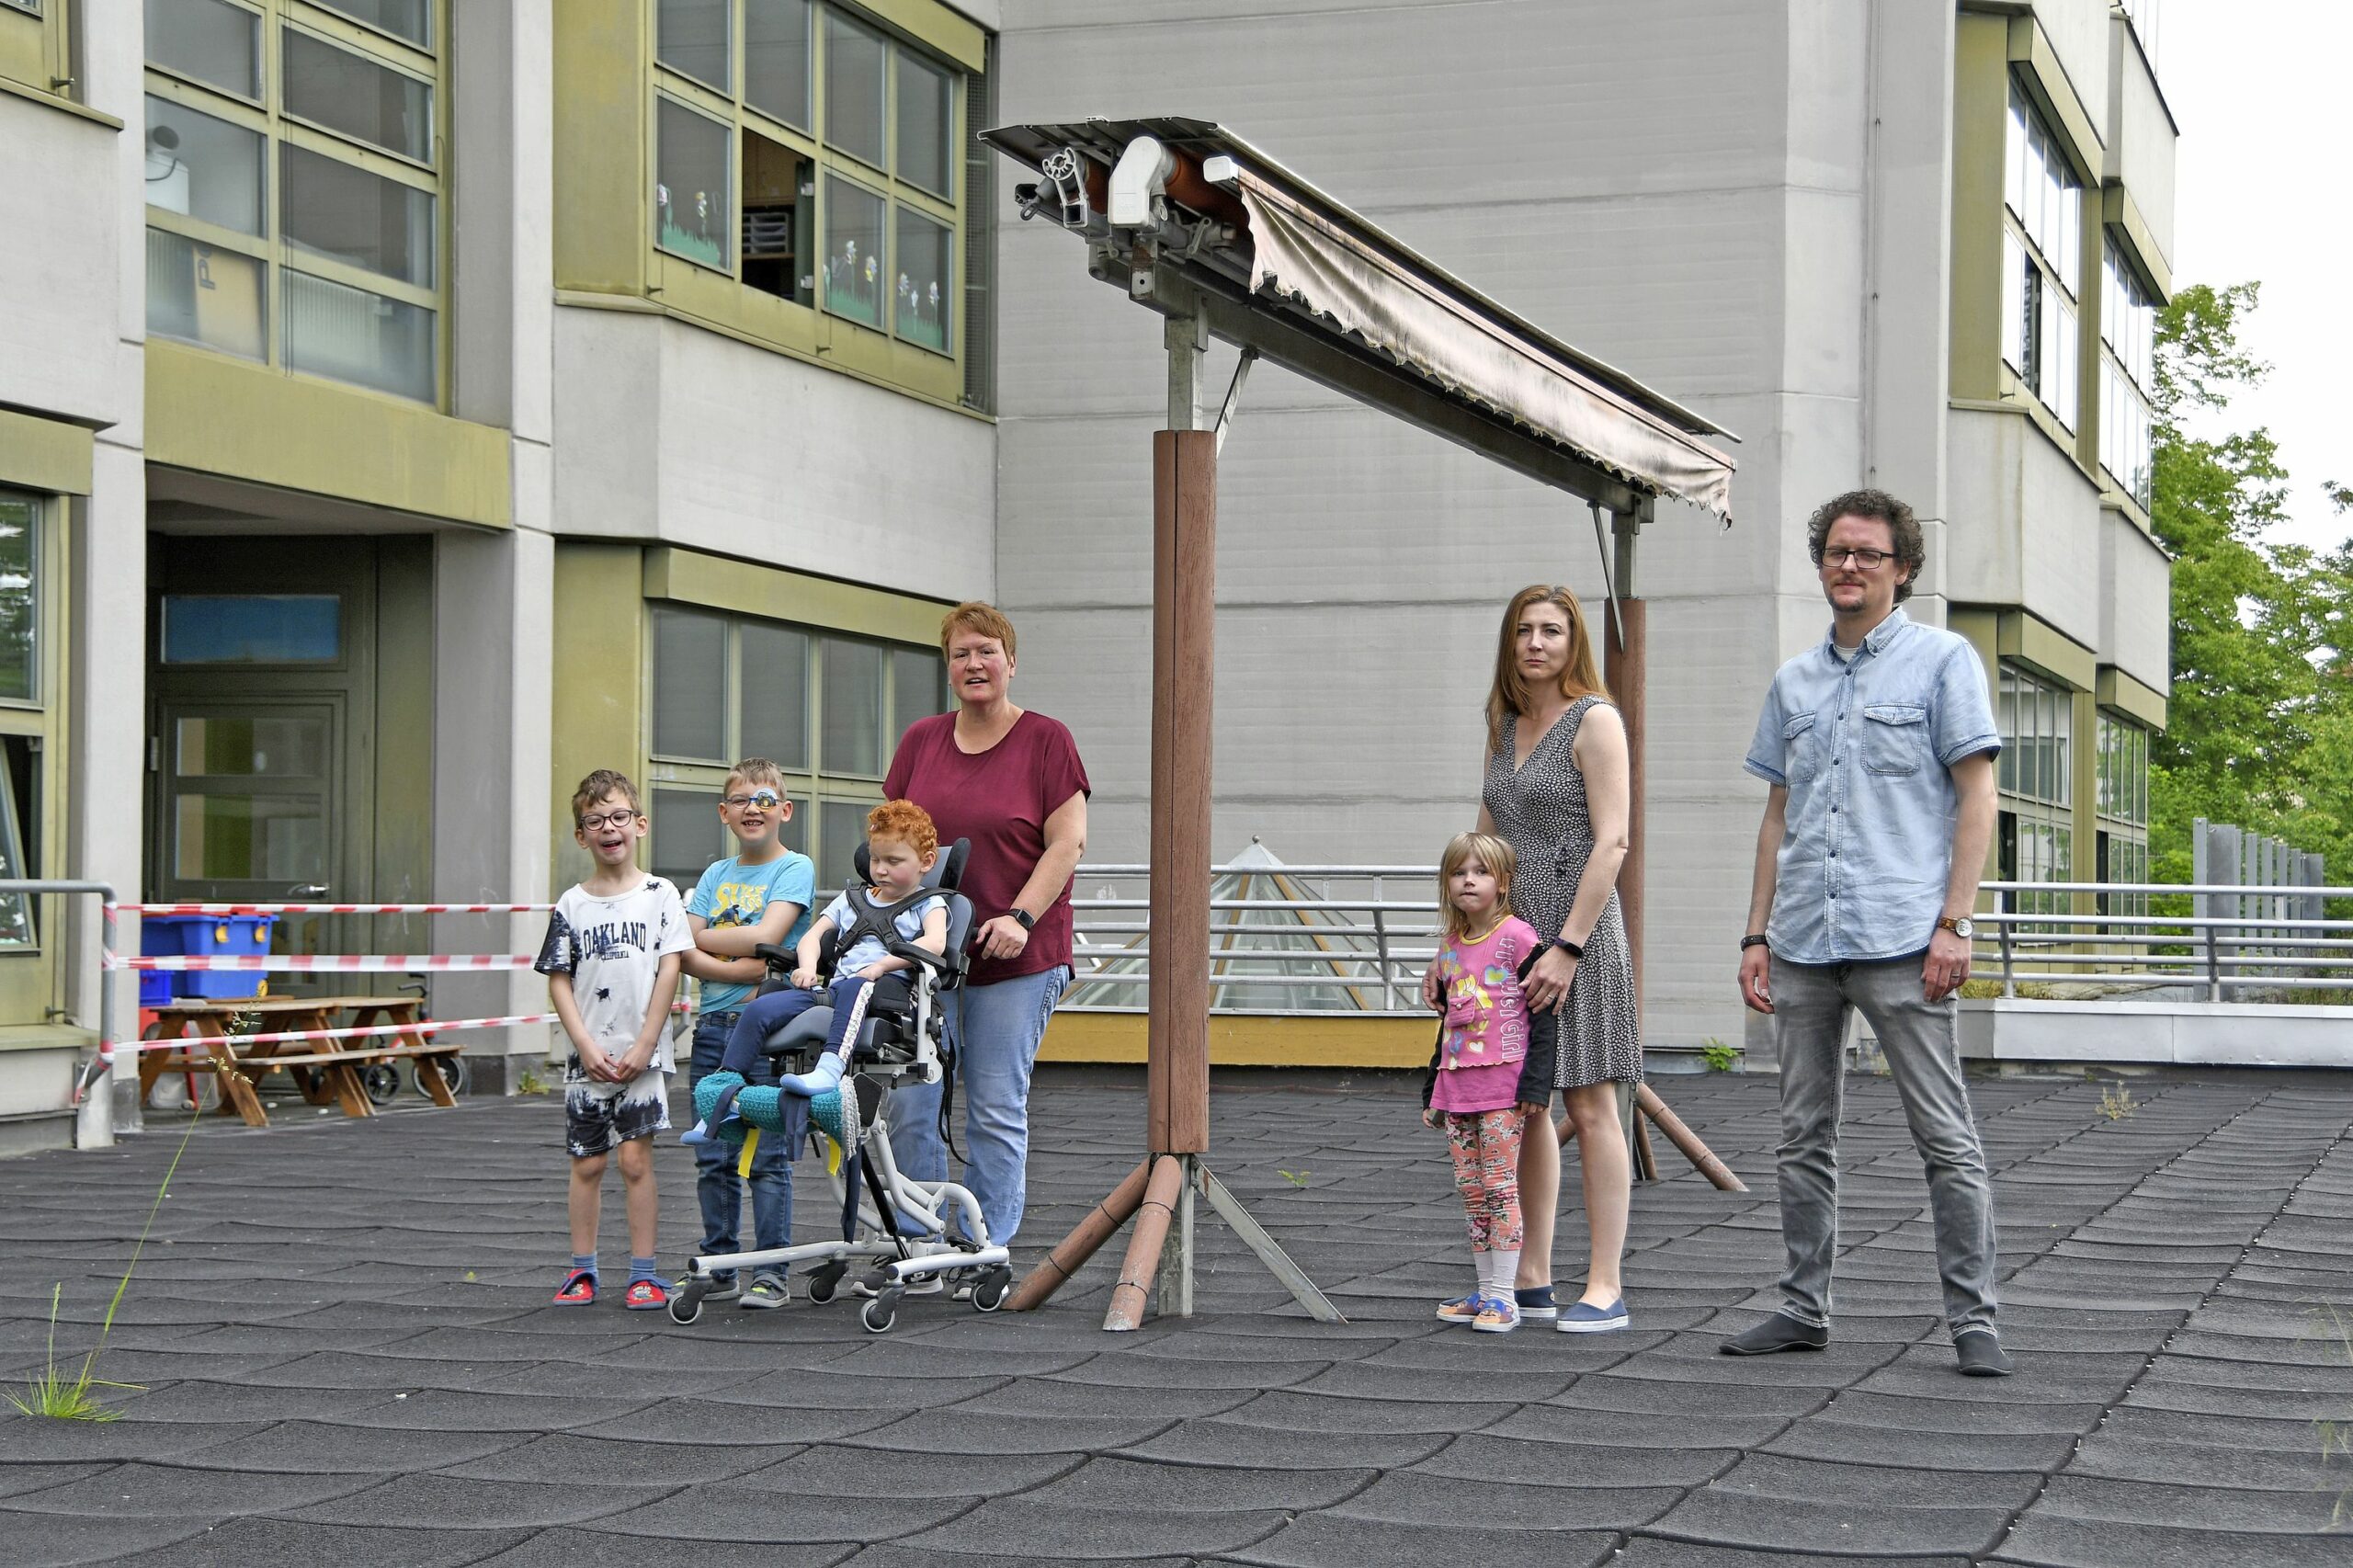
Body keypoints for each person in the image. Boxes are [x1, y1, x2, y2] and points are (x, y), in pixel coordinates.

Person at [1728, 486, 2011, 1378]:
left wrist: (1955, 921)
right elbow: (1778, 816)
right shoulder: (1794, 682)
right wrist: (1753, 934)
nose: (1849, 566)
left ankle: (1974, 1320)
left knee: (1945, 1137)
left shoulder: (1941, 661)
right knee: (1800, 1135)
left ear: (1903, 570)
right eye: (1836, 551)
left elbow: (1977, 797)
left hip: (1902, 938)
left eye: (1868, 554)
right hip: (1804, 942)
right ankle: (1800, 1307)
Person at [1431, 583, 1642, 1334]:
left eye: (1552, 630)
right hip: (1509, 942)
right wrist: (1456, 945)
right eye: (1524, 630)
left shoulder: (1597, 721)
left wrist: (1569, 948)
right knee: (1527, 1104)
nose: (1536, 643)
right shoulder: (1503, 727)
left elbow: (1613, 841)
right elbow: (1483, 848)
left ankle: (1606, 1285)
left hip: (1577, 934)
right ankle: (1529, 1279)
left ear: (1573, 640)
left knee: (1591, 1102)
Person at [882, 603, 1089, 1256]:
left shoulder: (1046, 741)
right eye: (962, 654)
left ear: (1010, 662)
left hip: (1015, 960)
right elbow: (892, 843)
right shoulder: (921, 741)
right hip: (928, 958)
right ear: (949, 669)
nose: (975, 664)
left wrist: (1021, 918)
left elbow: (1067, 844)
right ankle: (920, 1243)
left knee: (995, 1105)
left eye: (987, 651)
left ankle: (985, 1245)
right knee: (914, 1101)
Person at [688, 799, 949, 1129]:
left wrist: (883, 965)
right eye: (875, 859)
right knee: (760, 1007)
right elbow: (812, 937)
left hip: (887, 995)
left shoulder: (929, 903)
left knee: (858, 984)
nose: (880, 869)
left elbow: (935, 942)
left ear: (926, 861)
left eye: (893, 861)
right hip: (838, 989)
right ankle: (721, 1094)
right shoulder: (852, 898)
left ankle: (828, 1069)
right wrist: (808, 967)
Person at [537, 769, 694, 1311]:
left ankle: (643, 1273)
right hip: (589, 1058)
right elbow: (559, 978)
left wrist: (647, 1042)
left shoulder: (660, 895)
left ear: (640, 824)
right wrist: (582, 1044)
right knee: (588, 1163)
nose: (610, 828)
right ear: (582, 835)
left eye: (619, 817)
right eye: (595, 820)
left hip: (642, 1055)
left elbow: (670, 969)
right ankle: (582, 1270)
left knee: (635, 1163)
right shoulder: (571, 904)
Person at [676, 760, 814, 1310]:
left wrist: (713, 948)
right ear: (723, 813)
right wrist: (746, 966)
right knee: (713, 1152)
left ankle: (771, 1271)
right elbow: (685, 949)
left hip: (768, 1035)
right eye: (740, 799)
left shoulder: (794, 867)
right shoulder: (714, 875)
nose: (752, 807)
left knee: (766, 1157)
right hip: (713, 1027)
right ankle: (721, 1262)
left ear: (785, 810)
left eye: (764, 798)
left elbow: (772, 937)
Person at [1421, 832, 1555, 1335]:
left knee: (1500, 1187)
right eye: (1459, 872)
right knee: (1471, 1191)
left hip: (1504, 1089)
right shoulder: (1450, 948)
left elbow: (1544, 1017)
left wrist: (1535, 1087)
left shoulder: (1519, 938)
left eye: (1480, 872)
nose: (1468, 880)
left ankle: (1506, 1297)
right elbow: (1449, 1024)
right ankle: (1485, 1290)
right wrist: (1431, 1091)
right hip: (1458, 1091)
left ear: (1502, 883)